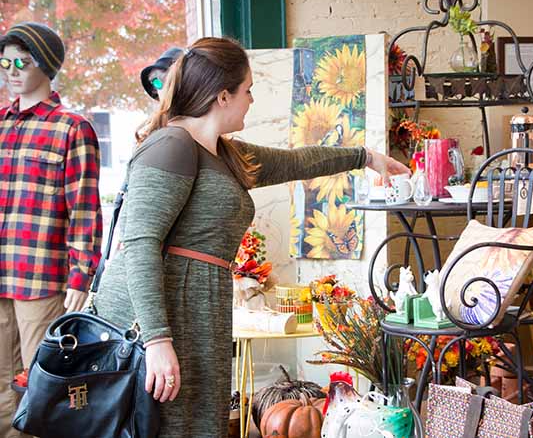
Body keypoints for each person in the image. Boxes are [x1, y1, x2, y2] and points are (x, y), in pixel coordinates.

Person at [94, 36, 409, 437]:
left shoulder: (224, 154)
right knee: (163, 426)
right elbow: (139, 244)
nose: (251, 100)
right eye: (247, 91)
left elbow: (296, 161)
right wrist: (157, 339)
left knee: (195, 424)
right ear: (222, 96)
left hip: (197, 307)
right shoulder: (171, 145)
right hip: (164, 312)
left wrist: (366, 157)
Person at [0, 22, 102, 437]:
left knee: (42, 383)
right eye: (4, 62)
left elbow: (84, 210)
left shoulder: (72, 128)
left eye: (20, 61)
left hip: (40, 277)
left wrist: (81, 275)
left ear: (47, 64)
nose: (10, 70)